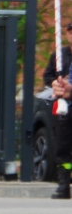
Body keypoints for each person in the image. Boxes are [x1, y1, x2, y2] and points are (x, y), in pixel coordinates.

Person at [44, 23, 72, 199]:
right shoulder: (60, 55)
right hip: (64, 107)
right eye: (71, 33)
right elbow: (48, 75)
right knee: (62, 146)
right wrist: (55, 83)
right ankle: (64, 185)